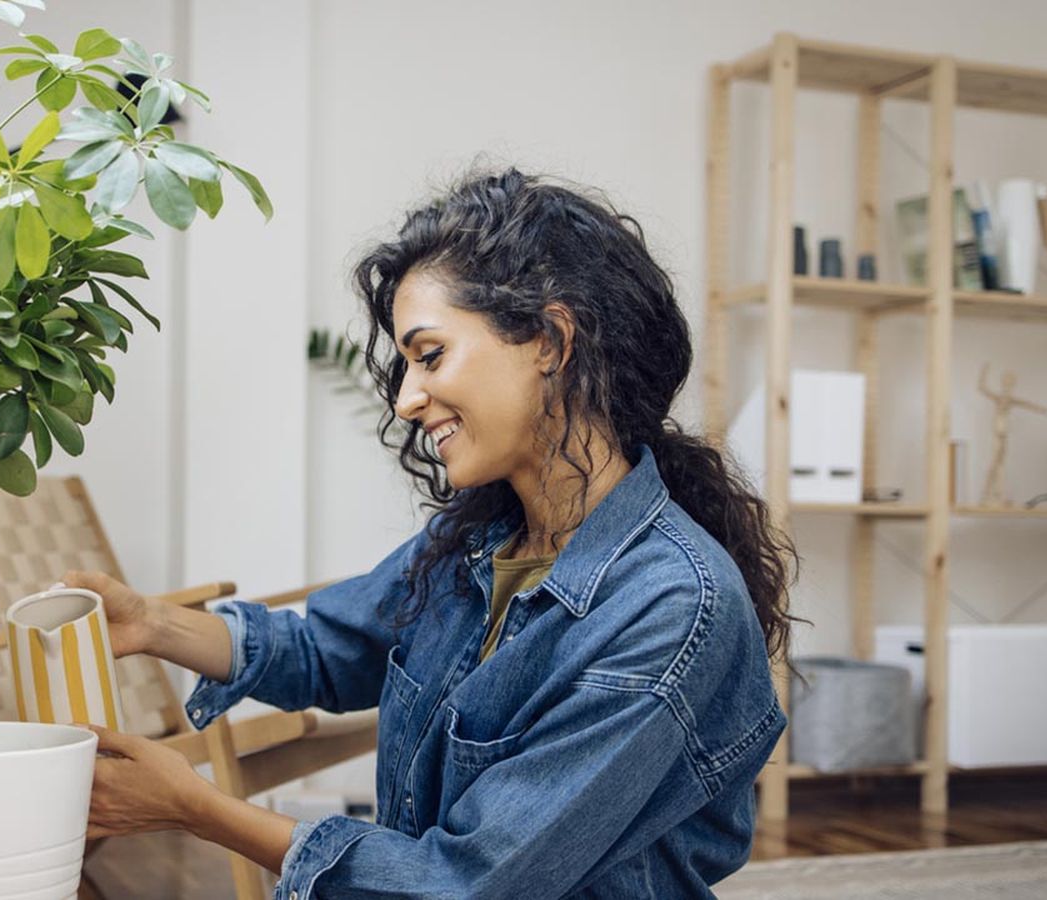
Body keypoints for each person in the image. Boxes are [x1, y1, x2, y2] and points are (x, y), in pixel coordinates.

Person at [61, 167, 796, 898]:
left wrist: (193, 809)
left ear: (549, 340)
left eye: (430, 354)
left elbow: (468, 882)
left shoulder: (671, 608)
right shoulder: (477, 542)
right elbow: (328, 648)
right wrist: (152, 622)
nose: (409, 399)